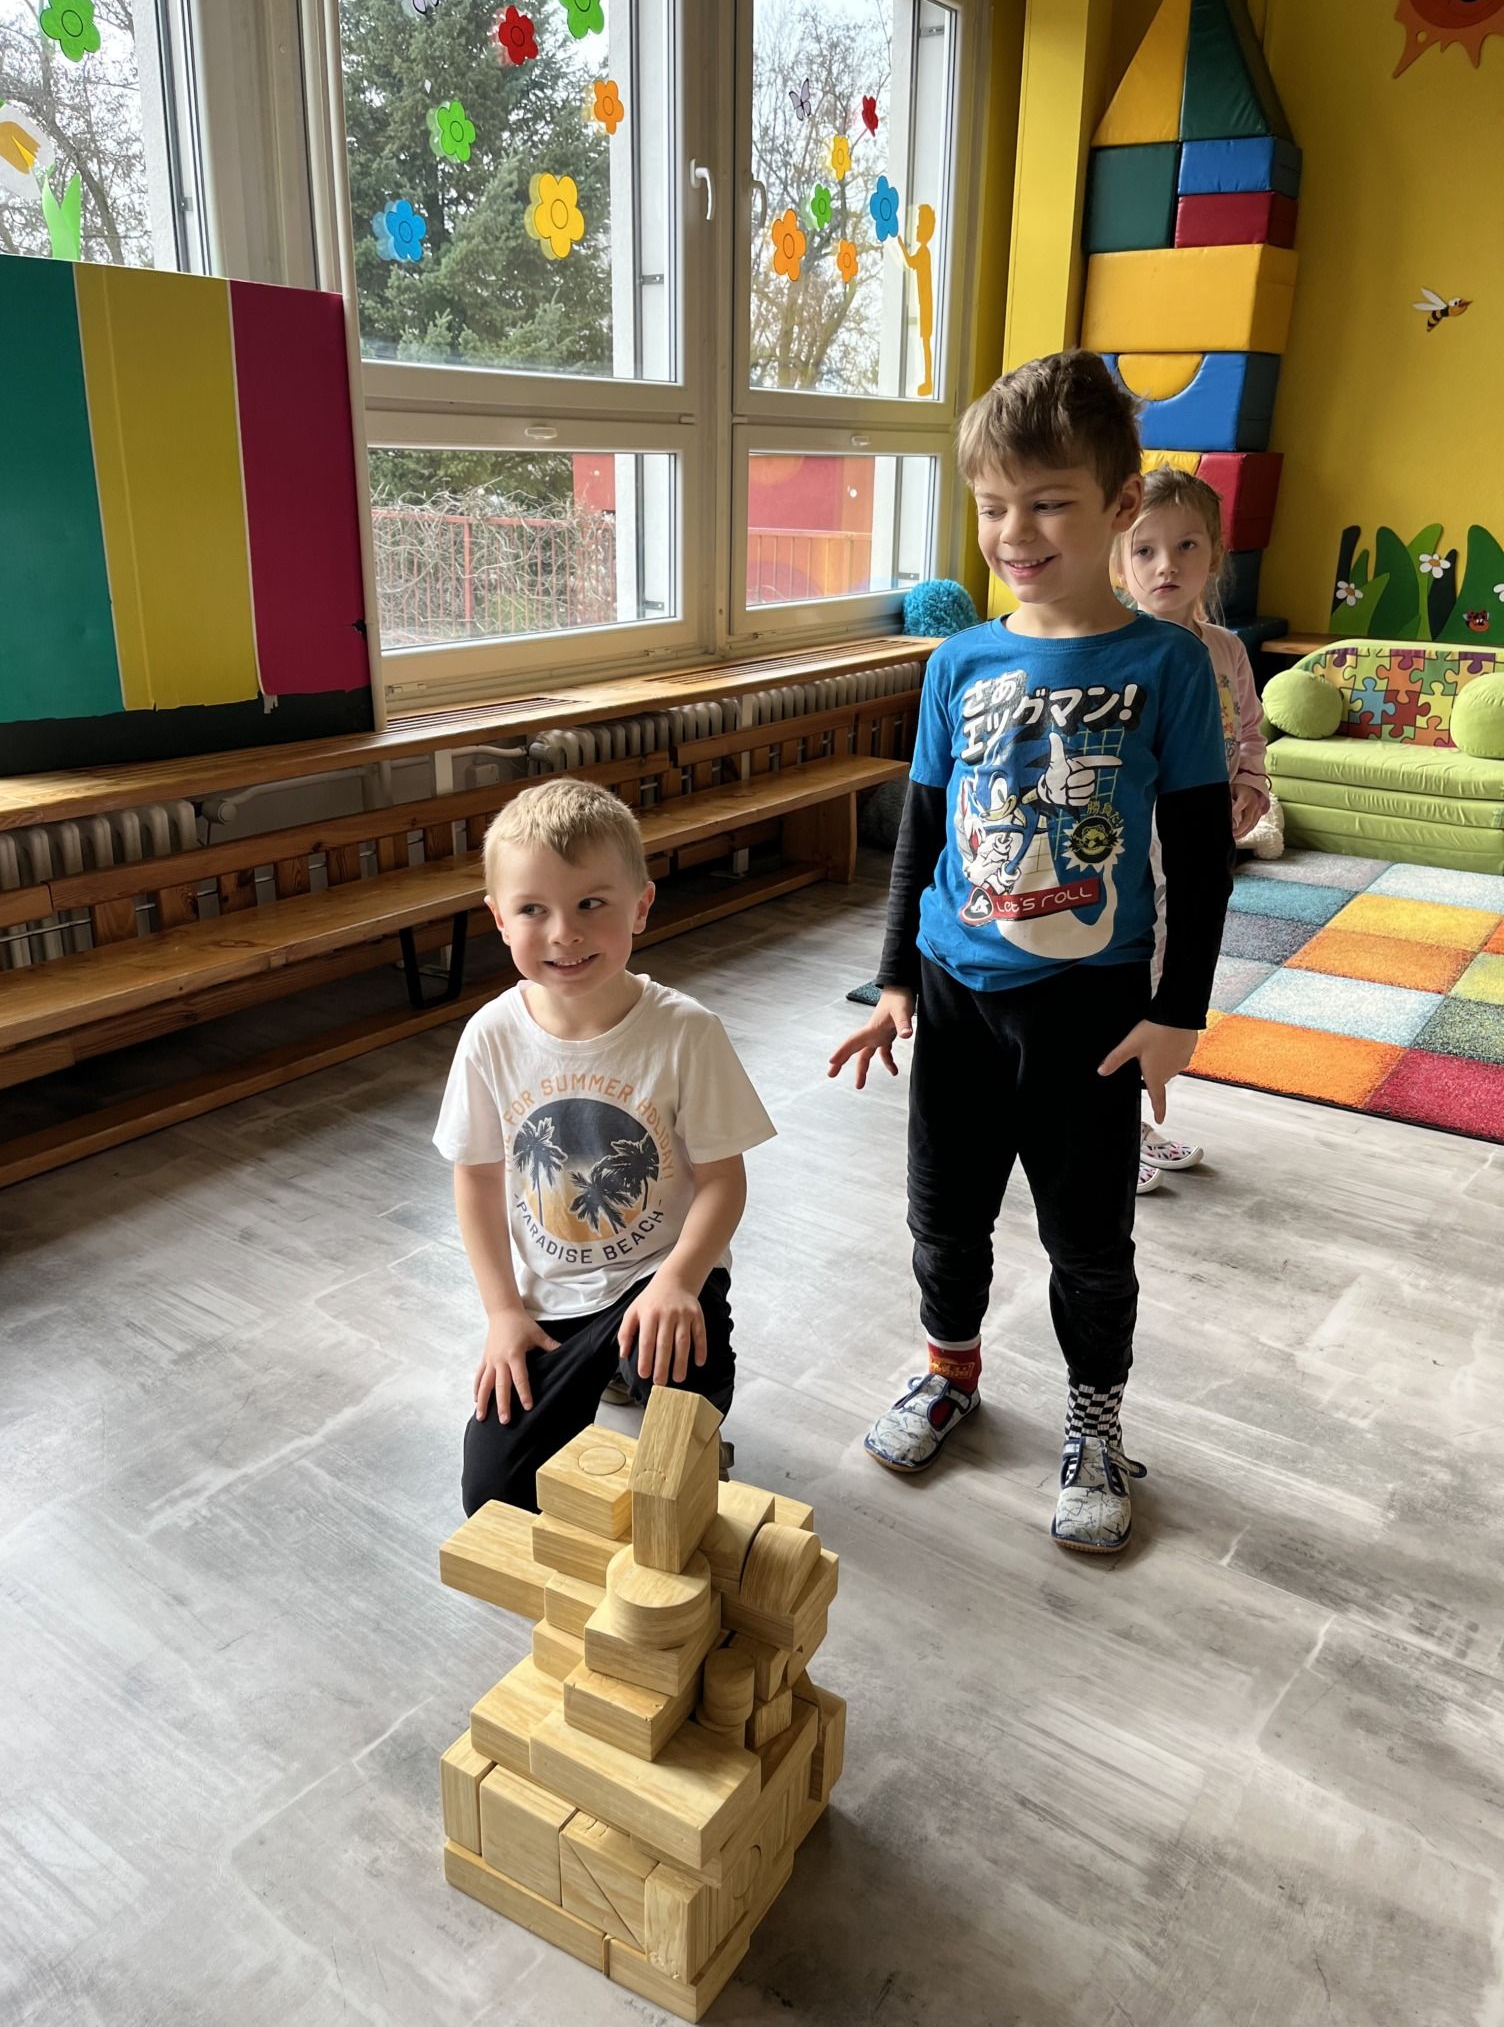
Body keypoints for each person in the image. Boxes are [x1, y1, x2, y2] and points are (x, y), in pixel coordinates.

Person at [827, 349, 1234, 1554]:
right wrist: (894, 979)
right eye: (993, 504)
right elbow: (922, 834)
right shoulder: (957, 661)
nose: (1013, 531)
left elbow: (1201, 855)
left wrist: (1179, 1012)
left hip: (1093, 1012)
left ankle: (1095, 1420)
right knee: (944, 1218)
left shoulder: (1166, 665)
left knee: (1089, 1243)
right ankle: (950, 1371)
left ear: (1119, 504)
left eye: (1048, 502)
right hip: (957, 996)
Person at [434, 779, 775, 1516]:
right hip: (553, 1298)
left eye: (591, 903)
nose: (564, 933)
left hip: (659, 1274)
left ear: (641, 906)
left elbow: (724, 1181)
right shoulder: (490, 1037)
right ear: (498, 918)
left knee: (675, 1463)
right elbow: (476, 1179)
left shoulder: (687, 1032)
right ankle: (615, 1365)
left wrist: (679, 1281)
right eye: (533, 909)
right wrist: (501, 1314)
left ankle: (673, 1396)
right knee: (494, 1496)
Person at [1115, 466, 1273, 1194]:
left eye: (1186, 546)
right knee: (1131, 976)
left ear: (1215, 556)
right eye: (1144, 550)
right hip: (1130, 842)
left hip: (1198, 842)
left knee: (1174, 975)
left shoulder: (1226, 649)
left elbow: (1249, 729)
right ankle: (1114, 1132)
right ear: (1118, 560)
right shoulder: (1118, 648)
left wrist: (1251, 783)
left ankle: (1133, 1122)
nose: (1166, 566)